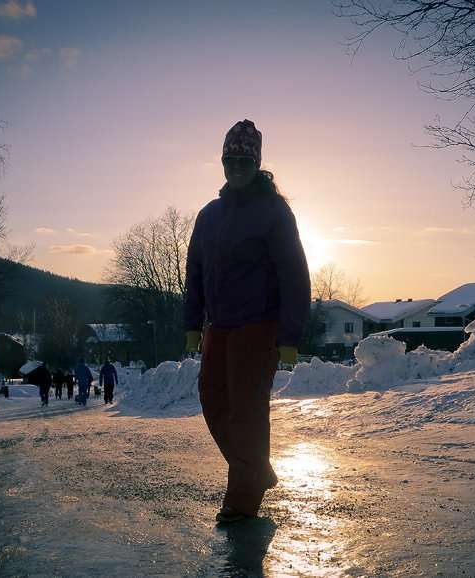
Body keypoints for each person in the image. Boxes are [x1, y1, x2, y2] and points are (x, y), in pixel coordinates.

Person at [183, 120, 310, 524]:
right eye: (229, 159)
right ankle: (256, 467)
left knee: (246, 411)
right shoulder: (209, 215)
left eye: (243, 159)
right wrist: (192, 324)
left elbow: (294, 273)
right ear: (222, 161)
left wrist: (290, 333)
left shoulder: (274, 212)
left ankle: (241, 502)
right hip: (218, 328)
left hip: (259, 327)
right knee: (212, 401)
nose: (236, 165)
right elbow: (194, 273)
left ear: (256, 163)